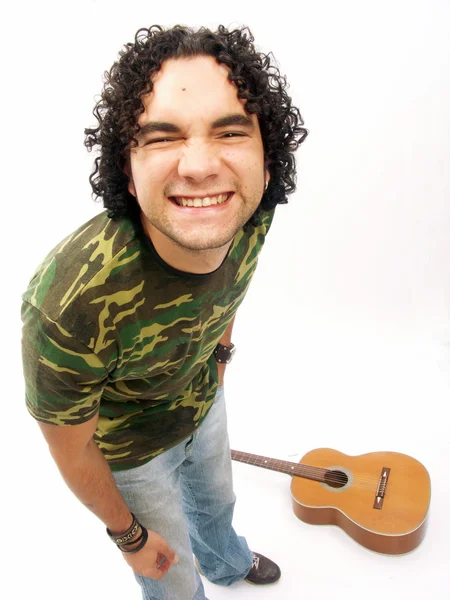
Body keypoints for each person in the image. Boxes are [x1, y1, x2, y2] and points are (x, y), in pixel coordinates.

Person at [21, 24, 307, 600]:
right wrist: (128, 535)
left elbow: (230, 289)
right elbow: (70, 446)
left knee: (219, 502)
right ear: (126, 168)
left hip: (202, 401)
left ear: (266, 160)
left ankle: (227, 564)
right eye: (161, 137)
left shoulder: (250, 215)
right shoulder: (68, 303)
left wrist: (220, 360)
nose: (200, 166)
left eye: (230, 131)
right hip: (131, 451)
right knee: (171, 577)